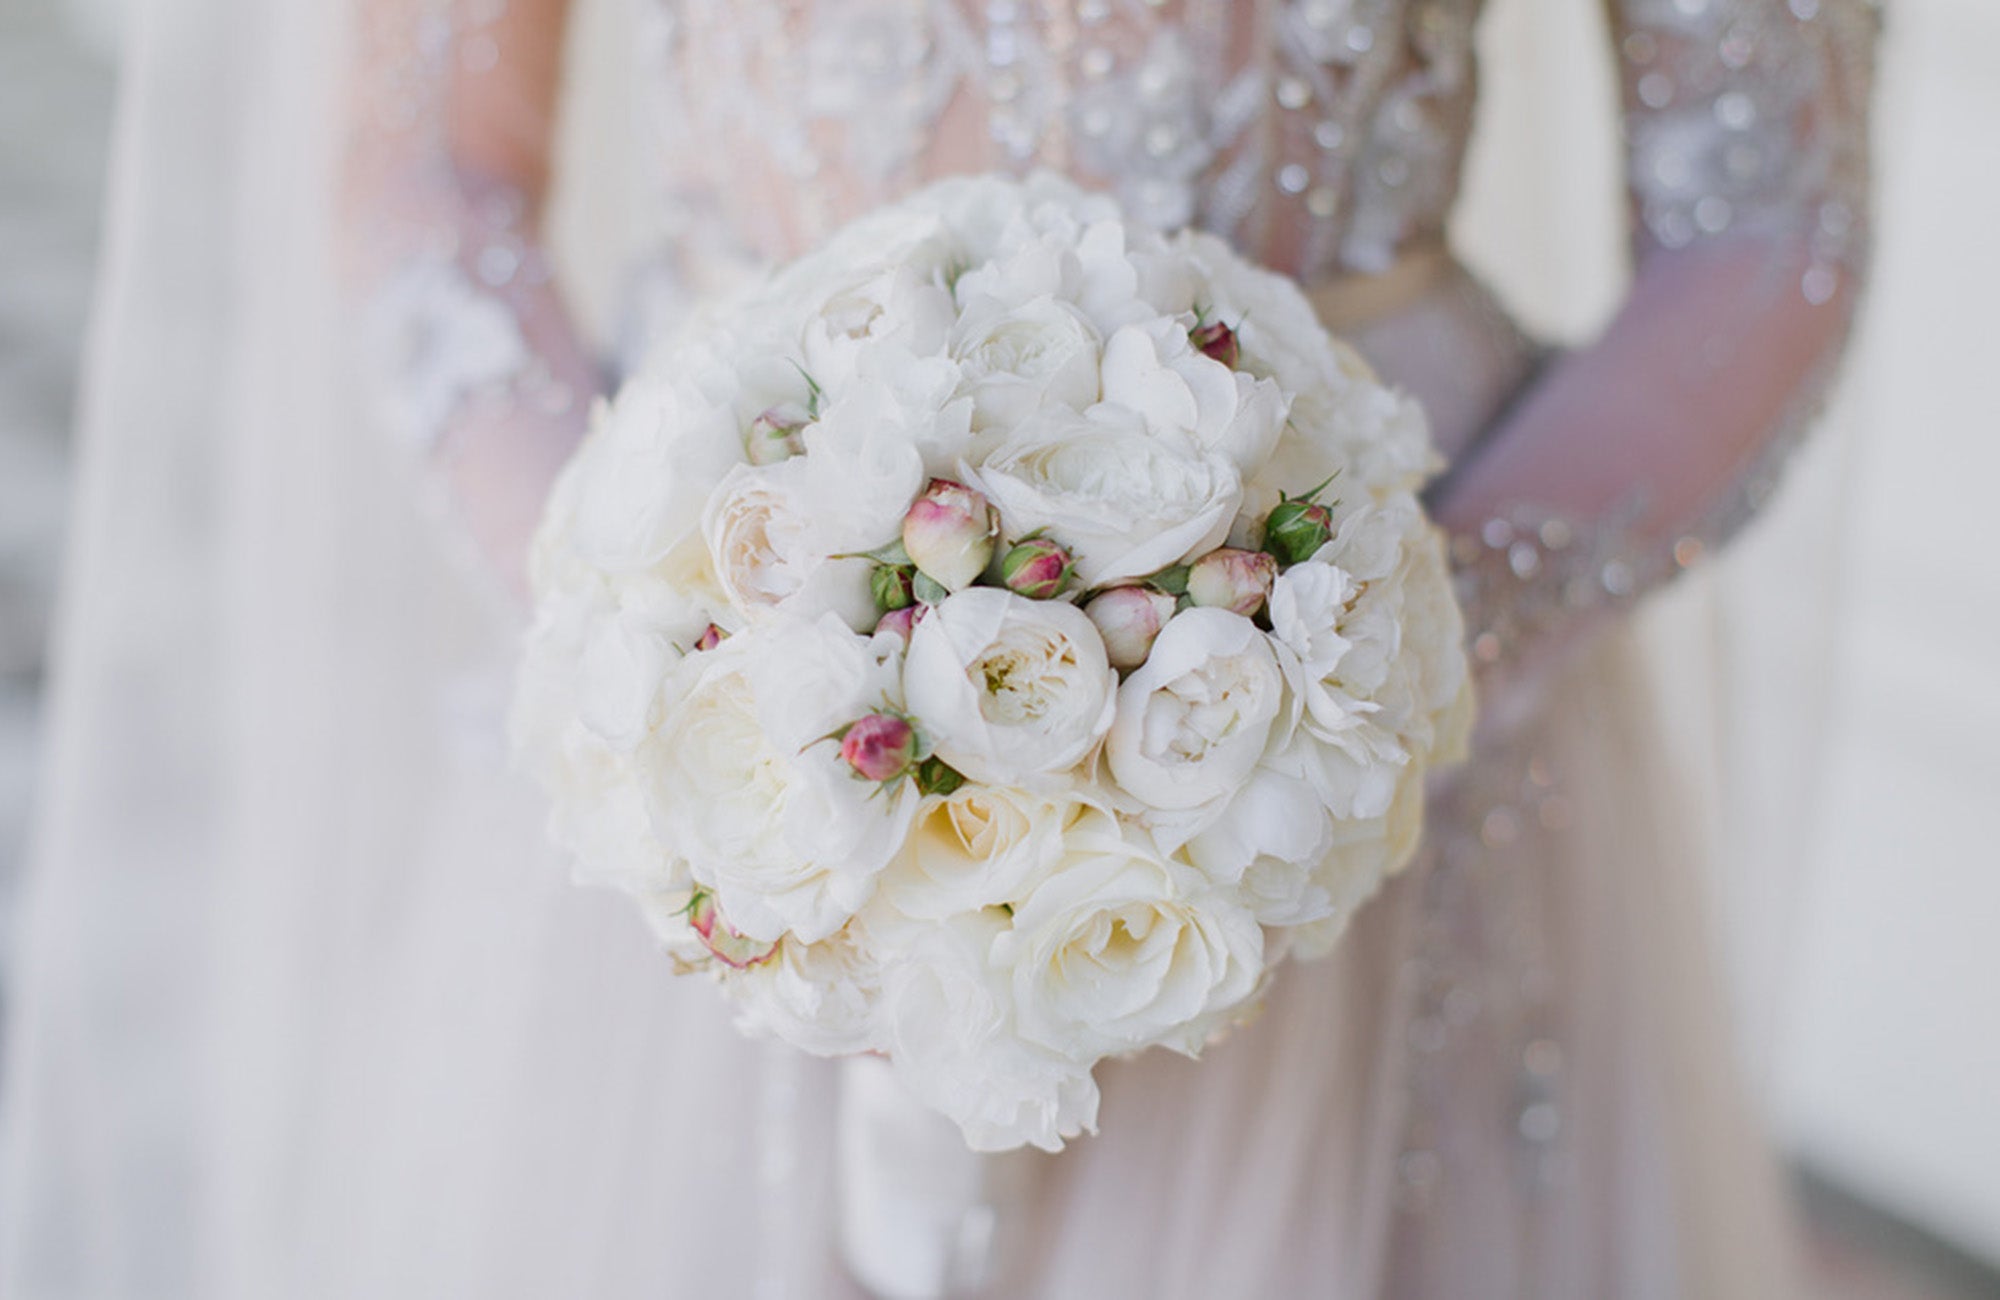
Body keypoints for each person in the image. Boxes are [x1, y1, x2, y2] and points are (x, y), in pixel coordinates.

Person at [0, 1, 1876, 1295]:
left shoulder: (1362, 682)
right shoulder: (692, 655)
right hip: (742, 703)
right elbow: (430, 174)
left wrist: (1356, 678)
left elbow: (1768, 222)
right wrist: (659, 644)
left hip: (1374, 741)